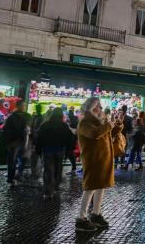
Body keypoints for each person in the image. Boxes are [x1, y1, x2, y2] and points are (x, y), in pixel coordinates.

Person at [75, 97, 116, 233]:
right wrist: (108, 125)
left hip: (102, 160)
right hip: (93, 160)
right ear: (92, 108)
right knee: (90, 188)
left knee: (100, 186)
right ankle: (81, 219)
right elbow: (94, 134)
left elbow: (106, 133)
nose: (100, 108)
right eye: (98, 106)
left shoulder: (99, 121)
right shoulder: (85, 122)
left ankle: (96, 214)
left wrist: (116, 124)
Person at [35, 107, 75, 199]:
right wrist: (68, 150)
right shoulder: (64, 126)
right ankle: (56, 185)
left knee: (48, 170)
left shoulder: (45, 125)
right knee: (58, 169)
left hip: (48, 150)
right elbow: (70, 139)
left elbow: (39, 137)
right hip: (60, 151)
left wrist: (38, 149)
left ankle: (48, 191)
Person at [2, 99, 30, 186]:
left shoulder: (13, 116)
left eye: (25, 105)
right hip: (17, 141)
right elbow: (7, 129)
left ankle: (15, 176)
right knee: (14, 160)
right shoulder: (14, 116)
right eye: (23, 105)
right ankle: (12, 177)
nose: (24, 107)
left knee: (18, 160)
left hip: (20, 141)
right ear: (19, 106)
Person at [66, 107, 79, 174]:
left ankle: (74, 168)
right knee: (72, 154)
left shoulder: (72, 121)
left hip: (72, 141)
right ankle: (74, 168)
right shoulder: (75, 119)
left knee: (71, 154)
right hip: (74, 140)